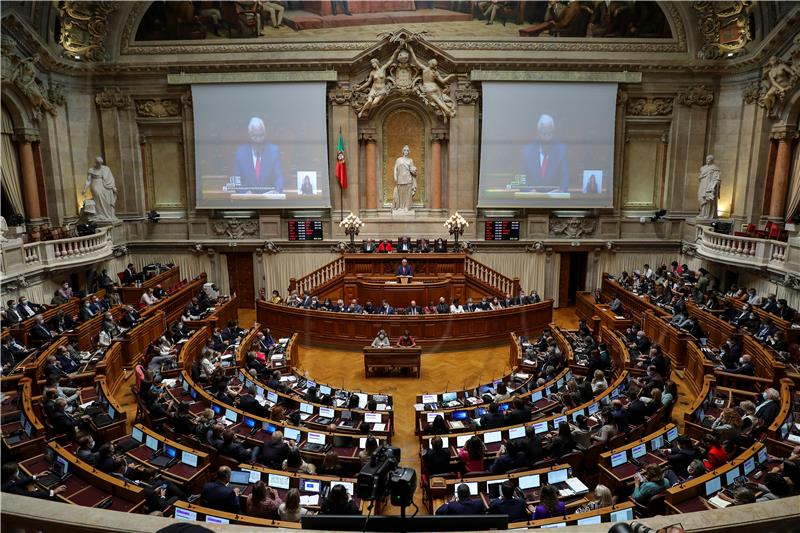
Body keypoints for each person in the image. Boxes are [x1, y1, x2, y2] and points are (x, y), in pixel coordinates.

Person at [520, 114, 569, 192]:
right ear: (538, 133)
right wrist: (529, 190)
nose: (547, 137)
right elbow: (521, 178)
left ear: (553, 132)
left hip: (554, 200)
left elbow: (565, 177)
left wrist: (561, 191)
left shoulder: (561, 150)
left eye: (549, 133)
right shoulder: (528, 150)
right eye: (544, 133)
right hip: (532, 200)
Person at [233, 117, 284, 192]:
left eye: (260, 135)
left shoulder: (273, 151)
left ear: (264, 133)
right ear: (249, 135)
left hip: (268, 200)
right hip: (247, 201)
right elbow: (236, 180)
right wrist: (244, 192)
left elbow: (279, 177)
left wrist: (276, 191)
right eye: (255, 136)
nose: (258, 140)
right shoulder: (241, 153)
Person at [1, 462, 67, 499]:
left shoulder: (5, 479)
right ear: (13, 475)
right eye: (17, 471)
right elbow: (30, 494)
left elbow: (15, 483)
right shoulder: (11, 489)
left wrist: (35, 476)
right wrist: (54, 492)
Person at [83, 156, 118, 222]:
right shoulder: (91, 170)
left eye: (100, 163)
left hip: (105, 185)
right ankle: (99, 214)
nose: (100, 165)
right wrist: (84, 189)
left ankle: (108, 215)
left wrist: (113, 187)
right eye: (98, 163)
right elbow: (88, 181)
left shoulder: (106, 169)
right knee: (99, 195)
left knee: (107, 198)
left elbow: (111, 178)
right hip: (95, 184)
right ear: (95, 163)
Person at [392, 145, 417, 211]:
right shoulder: (399, 160)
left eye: (407, 151)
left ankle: (406, 207)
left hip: (408, 179)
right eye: (405, 150)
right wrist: (395, 177)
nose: (406, 152)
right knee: (400, 194)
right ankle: (400, 207)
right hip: (400, 178)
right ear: (403, 151)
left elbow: (412, 169)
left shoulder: (410, 160)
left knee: (408, 194)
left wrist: (414, 170)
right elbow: (395, 169)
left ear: (409, 152)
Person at [697, 154, 721, 219]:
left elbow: (717, 179)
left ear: (712, 160)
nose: (707, 160)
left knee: (708, 200)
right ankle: (702, 213)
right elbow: (700, 177)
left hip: (709, 187)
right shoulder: (703, 168)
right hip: (702, 186)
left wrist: (712, 186)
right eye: (707, 159)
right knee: (701, 199)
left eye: (709, 159)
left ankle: (706, 215)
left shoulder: (715, 168)